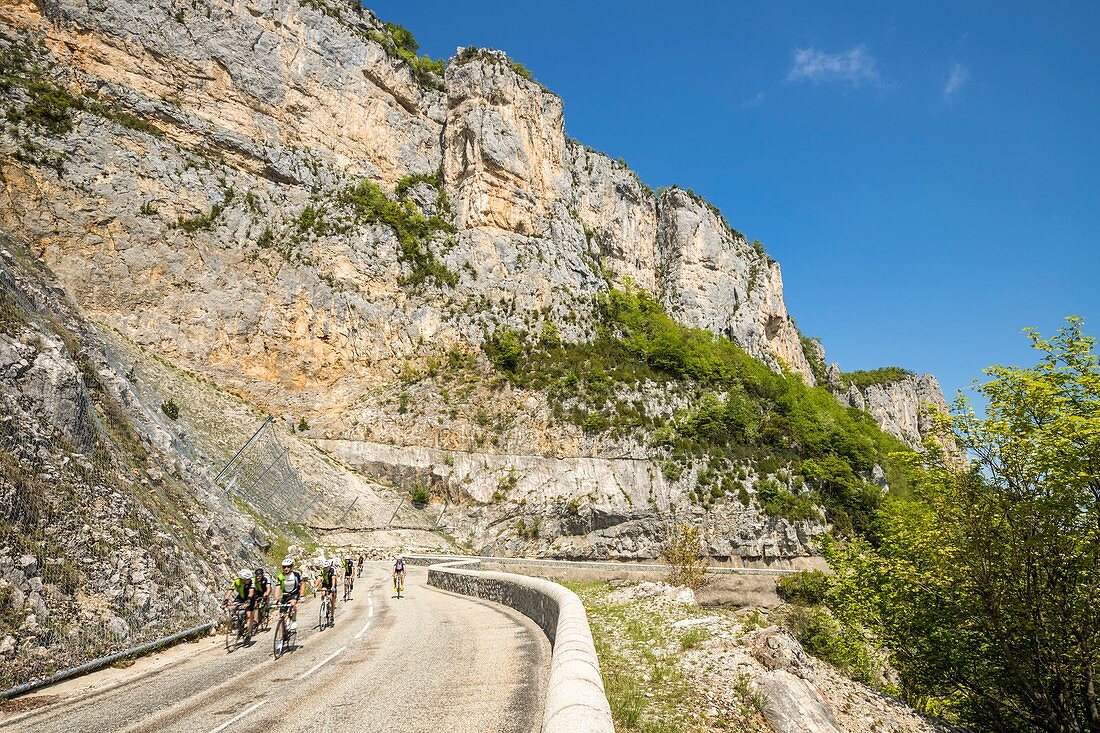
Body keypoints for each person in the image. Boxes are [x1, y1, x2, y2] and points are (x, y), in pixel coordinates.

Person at [275, 557, 302, 630]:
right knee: (281, 616)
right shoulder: (280, 577)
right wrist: (277, 599)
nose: (286, 568)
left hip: (294, 594)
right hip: (285, 595)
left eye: (288, 567)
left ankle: (294, 620)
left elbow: (302, 584)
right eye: (284, 567)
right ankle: (281, 638)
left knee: (293, 604)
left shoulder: (296, 575)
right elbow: (277, 588)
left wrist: (301, 595)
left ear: (291, 567)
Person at [226, 568, 256, 633]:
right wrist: (226, 599)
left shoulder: (252, 581)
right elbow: (230, 590)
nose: (249, 580)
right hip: (241, 597)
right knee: (233, 607)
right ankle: (236, 620)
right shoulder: (237, 581)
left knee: (249, 615)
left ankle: (248, 632)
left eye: (249, 578)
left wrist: (248, 600)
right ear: (242, 579)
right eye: (247, 579)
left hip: (250, 598)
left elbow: (251, 592)